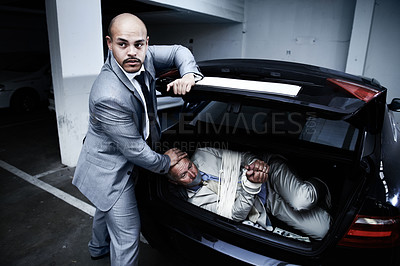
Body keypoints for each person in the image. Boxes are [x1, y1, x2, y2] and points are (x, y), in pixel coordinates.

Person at [72, 13, 203, 266]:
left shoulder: (146, 55)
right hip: (110, 171)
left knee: (103, 206)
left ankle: (97, 248)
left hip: (116, 154)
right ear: (109, 44)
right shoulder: (107, 94)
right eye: (122, 44)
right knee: (127, 235)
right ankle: (103, 248)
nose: (132, 52)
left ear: (146, 42)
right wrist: (166, 162)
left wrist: (189, 75)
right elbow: (135, 152)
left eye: (138, 44)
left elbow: (179, 51)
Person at [167, 147, 332, 240]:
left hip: (269, 173)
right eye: (183, 175)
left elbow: (242, 157)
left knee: (302, 200)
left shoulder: (203, 154)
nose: (192, 174)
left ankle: (322, 183)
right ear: (175, 182)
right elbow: (235, 214)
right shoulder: (196, 203)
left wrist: (256, 165)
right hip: (263, 202)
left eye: (189, 166)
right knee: (323, 231)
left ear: (188, 158)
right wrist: (252, 185)